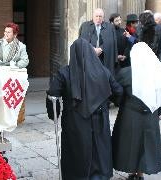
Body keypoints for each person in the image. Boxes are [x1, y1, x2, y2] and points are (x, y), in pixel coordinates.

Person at [46, 38, 123, 180]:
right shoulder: (103, 71)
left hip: (75, 121)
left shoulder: (64, 73)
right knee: (99, 150)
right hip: (99, 119)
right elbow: (118, 92)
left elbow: (53, 95)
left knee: (77, 152)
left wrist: (53, 113)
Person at [112, 42, 161, 180]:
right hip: (150, 116)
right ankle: (141, 173)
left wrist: (120, 103)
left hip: (130, 114)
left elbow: (116, 93)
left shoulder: (126, 73)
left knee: (130, 143)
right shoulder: (157, 73)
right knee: (146, 144)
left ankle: (132, 172)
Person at [79, 8, 118, 76]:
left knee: (103, 77)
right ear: (93, 16)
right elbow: (81, 41)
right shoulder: (85, 26)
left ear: (103, 17)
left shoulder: (110, 27)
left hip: (104, 58)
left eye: (100, 16)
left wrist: (101, 48)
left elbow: (112, 42)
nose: (98, 18)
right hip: (89, 57)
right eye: (96, 16)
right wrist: (92, 49)